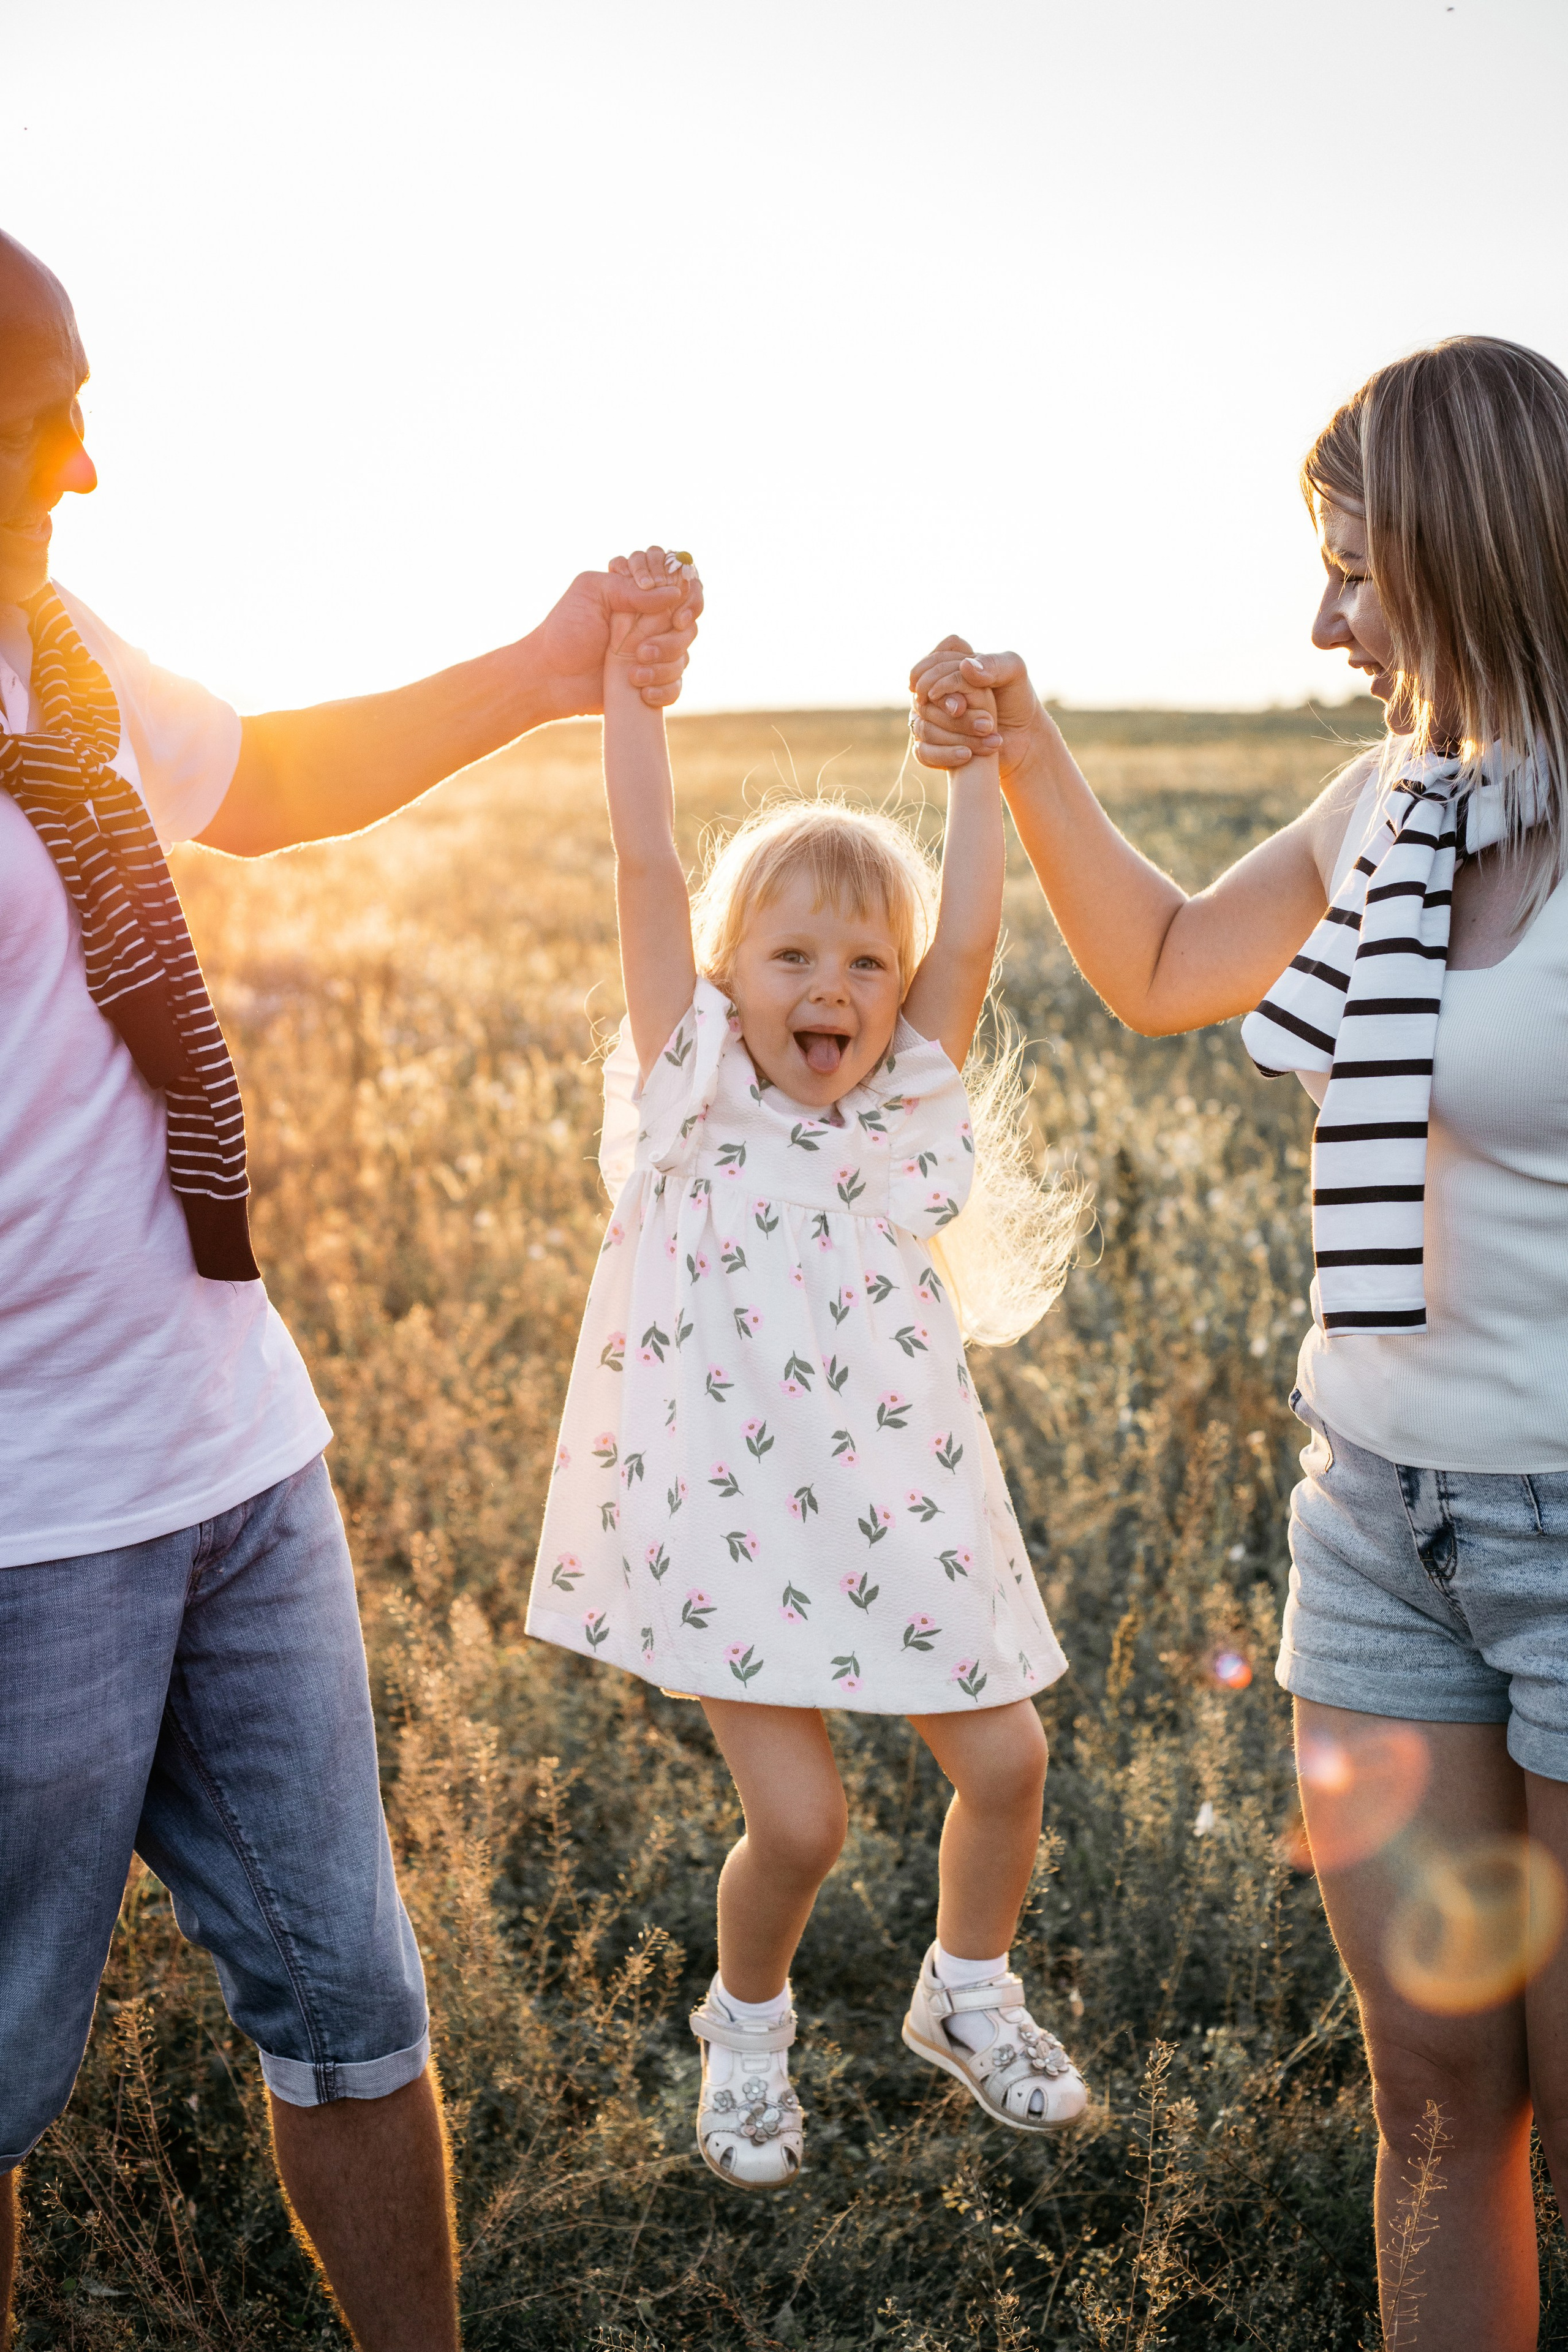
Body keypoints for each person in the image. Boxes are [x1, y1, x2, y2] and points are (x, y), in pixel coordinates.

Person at [0, 223, 701, 2352]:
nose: (92, 466)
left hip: (236, 1463)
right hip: (28, 1542)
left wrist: (544, 657)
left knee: (356, 2008)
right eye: (47, 419)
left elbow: (280, 789)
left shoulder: (58, 648)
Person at [909, 335, 1568, 2352]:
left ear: (1469, 552)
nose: (1324, 619)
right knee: (1442, 2107)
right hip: (1375, 1523)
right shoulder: (1394, 803)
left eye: (1358, 570)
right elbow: (1173, 960)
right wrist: (1023, 749)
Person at [522, 565, 1090, 2192]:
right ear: (725, 972)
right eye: (789, 957)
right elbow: (643, 858)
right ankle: (746, 2035)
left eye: (861, 964)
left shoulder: (900, 1123)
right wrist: (633, 693)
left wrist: (976, 767)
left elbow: (971, 928)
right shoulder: (688, 1099)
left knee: (1011, 1764)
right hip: (730, 1526)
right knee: (804, 1829)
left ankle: (966, 1994)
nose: (828, 989)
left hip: (907, 1515)